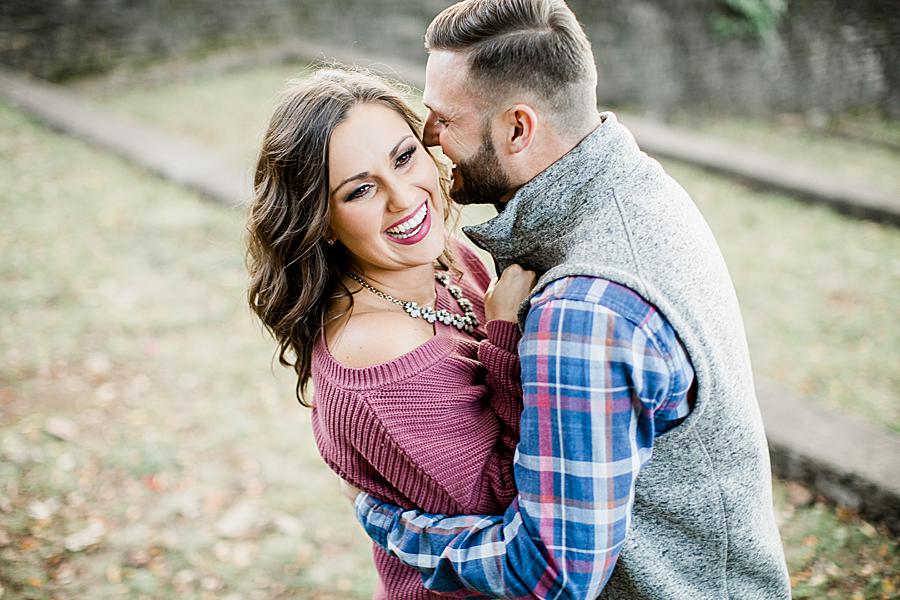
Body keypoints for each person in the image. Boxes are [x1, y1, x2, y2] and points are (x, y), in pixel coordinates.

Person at [344, 0, 793, 598]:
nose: (427, 138)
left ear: (518, 128)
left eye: (443, 117)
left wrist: (388, 522)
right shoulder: (636, 186)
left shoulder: (585, 310)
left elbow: (549, 573)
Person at [245, 68, 538, 599]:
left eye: (404, 157)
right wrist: (503, 336)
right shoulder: (376, 354)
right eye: (360, 190)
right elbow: (510, 503)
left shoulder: (449, 258)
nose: (403, 197)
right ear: (323, 221)